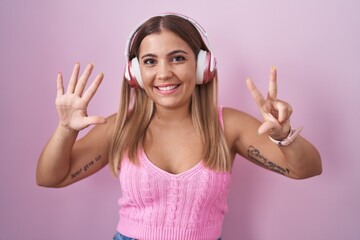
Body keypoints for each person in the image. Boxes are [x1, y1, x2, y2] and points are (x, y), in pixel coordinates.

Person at [36, 13, 322, 240]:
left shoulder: (228, 126)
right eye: (150, 61)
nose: (164, 73)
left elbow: (306, 169)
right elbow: (50, 178)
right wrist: (66, 129)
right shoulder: (120, 127)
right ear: (135, 73)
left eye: (177, 58)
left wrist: (284, 136)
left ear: (202, 67)